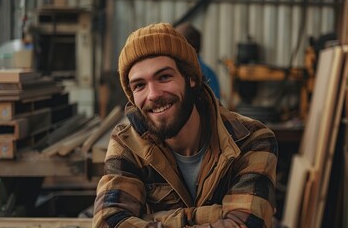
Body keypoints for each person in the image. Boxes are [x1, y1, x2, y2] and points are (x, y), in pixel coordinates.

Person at [93, 23, 278, 228]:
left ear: (190, 78)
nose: (153, 94)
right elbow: (107, 223)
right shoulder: (128, 144)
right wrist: (215, 216)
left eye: (164, 77)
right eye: (139, 85)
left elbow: (248, 225)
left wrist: (155, 220)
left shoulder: (251, 139)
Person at [175, 22, 221, 100]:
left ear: (193, 48)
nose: (173, 49)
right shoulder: (211, 73)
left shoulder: (203, 75)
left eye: (178, 45)